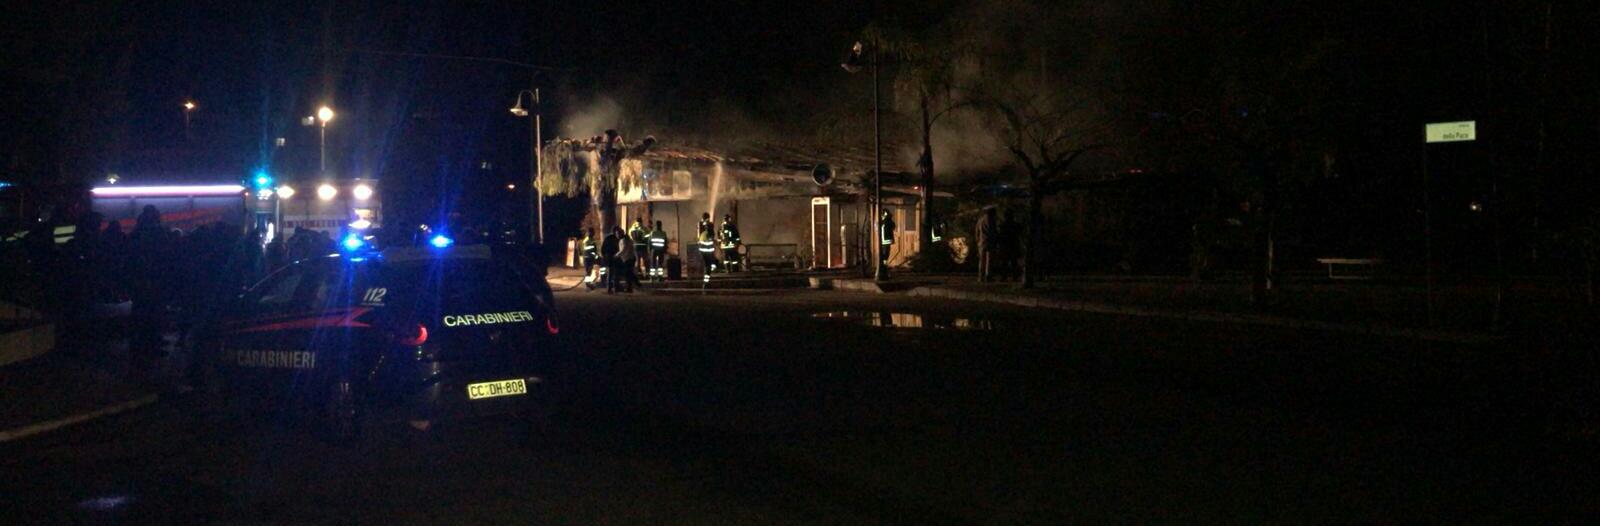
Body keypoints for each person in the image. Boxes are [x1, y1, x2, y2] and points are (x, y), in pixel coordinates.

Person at [997, 209, 1023, 281]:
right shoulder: (1016, 225)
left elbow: (1000, 236)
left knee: (1004, 263)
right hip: (1013, 245)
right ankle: (1014, 276)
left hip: (1005, 246)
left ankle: (1004, 276)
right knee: (1013, 262)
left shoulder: (1002, 225)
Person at [615, 226, 640, 293]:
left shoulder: (623, 240)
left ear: (620, 234)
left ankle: (630, 288)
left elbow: (623, 249)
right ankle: (635, 283)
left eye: (617, 234)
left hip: (627, 258)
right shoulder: (628, 239)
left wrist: (616, 255)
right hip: (630, 258)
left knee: (627, 274)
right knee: (629, 273)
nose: (616, 235)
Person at [975, 207, 997, 282]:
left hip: (981, 242)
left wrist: (978, 240)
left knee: (982, 260)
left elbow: (977, 231)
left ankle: (981, 276)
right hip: (989, 241)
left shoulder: (980, 220)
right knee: (989, 260)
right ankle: (988, 276)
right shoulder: (991, 220)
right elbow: (993, 231)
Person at [601, 226, 624, 293]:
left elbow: (603, 248)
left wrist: (604, 256)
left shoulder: (607, 238)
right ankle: (616, 287)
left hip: (609, 257)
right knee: (616, 273)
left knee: (610, 273)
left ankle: (609, 288)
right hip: (615, 257)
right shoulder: (618, 238)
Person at [696, 212, 718, 279]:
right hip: (709, 248)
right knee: (710, 263)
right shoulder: (710, 225)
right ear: (708, 217)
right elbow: (712, 235)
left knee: (706, 264)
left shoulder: (700, 224)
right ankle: (708, 276)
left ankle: (706, 277)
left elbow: (698, 236)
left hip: (702, 248)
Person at [878, 209, 896, 279]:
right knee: (883, 255)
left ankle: (884, 266)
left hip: (886, 241)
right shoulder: (882, 222)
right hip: (882, 241)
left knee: (885, 254)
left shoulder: (888, 221)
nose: (881, 216)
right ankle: (883, 266)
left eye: (883, 215)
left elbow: (893, 226)